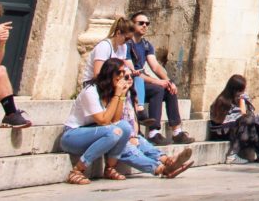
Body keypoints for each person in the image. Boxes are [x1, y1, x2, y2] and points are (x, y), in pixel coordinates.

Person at [61, 58, 134, 184]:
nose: (122, 76)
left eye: (124, 73)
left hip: (93, 131)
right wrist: (117, 94)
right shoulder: (91, 91)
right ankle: (78, 170)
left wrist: (121, 94)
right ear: (109, 73)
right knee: (114, 132)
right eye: (119, 73)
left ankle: (110, 168)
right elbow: (104, 121)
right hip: (72, 136)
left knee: (125, 127)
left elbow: (116, 120)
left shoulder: (109, 91)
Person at [128, 11, 193, 145]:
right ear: (132, 24)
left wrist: (168, 81)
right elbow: (134, 72)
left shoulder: (146, 45)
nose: (145, 26)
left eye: (147, 23)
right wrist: (159, 82)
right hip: (132, 82)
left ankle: (177, 131)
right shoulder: (127, 45)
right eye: (141, 23)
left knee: (169, 89)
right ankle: (153, 132)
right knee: (158, 89)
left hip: (142, 80)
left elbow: (156, 67)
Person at [118, 64, 194, 178]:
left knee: (140, 141)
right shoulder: (111, 96)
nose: (130, 80)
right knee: (128, 148)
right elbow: (110, 121)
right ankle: (162, 169)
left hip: (126, 134)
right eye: (126, 77)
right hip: (113, 136)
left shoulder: (129, 95)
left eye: (131, 77)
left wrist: (133, 136)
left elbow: (133, 122)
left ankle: (168, 161)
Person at [209, 74, 259, 164]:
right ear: (234, 89)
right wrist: (239, 117)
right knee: (247, 120)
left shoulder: (240, 99)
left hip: (241, 128)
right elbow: (218, 121)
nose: (242, 92)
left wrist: (244, 103)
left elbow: (248, 114)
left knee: (257, 119)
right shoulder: (222, 100)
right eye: (241, 90)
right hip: (222, 130)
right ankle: (231, 155)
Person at [82, 17, 134, 84]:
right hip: (94, 83)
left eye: (130, 39)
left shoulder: (123, 47)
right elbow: (97, 74)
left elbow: (122, 68)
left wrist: (130, 72)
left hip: (111, 81)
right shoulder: (104, 46)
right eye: (126, 38)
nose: (127, 41)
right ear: (118, 33)